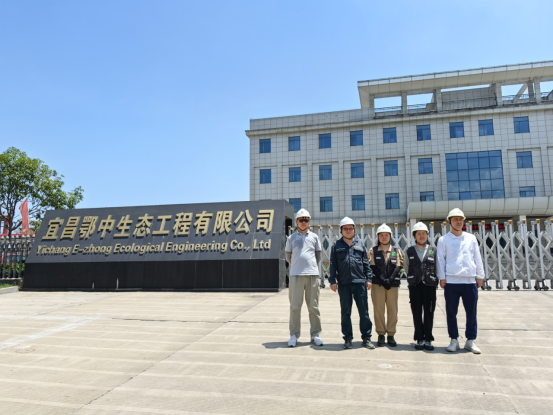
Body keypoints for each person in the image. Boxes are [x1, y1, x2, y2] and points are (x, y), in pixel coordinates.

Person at [437, 208, 485, 354]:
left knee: (472, 313)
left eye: (460, 219)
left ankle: (470, 340)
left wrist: (480, 276)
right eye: (455, 219)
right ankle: (454, 340)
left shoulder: (471, 238)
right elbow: (440, 260)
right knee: (451, 312)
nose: (458, 222)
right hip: (452, 281)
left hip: (470, 281)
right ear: (449, 222)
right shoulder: (443, 240)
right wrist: (442, 277)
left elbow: (477, 257)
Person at [329, 217, 375, 350]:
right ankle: (348, 338)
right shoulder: (336, 245)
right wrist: (332, 281)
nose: (348, 230)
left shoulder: (360, 243)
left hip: (360, 282)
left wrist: (369, 279)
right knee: (346, 312)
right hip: (344, 283)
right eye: (345, 228)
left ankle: (366, 338)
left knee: (364, 312)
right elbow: (333, 264)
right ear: (341, 230)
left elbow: (366, 263)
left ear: (354, 229)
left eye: (350, 228)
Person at [285, 208, 323, 347]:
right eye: (301, 220)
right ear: (296, 221)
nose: (303, 222)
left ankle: (315, 334)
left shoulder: (315, 237)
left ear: (309, 221)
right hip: (296, 275)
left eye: (306, 220)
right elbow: (288, 256)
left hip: (312, 275)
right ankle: (294, 335)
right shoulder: (291, 238)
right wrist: (298, 265)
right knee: (295, 307)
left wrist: (309, 266)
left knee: (313, 306)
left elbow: (318, 256)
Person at [404, 222, 438, 351]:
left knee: (429, 312)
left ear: (427, 235)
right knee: (416, 312)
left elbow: (437, 267)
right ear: (414, 236)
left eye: (424, 233)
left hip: (429, 285)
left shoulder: (433, 250)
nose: (422, 236)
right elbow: (406, 267)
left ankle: (428, 339)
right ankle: (419, 338)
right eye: (419, 234)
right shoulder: (409, 250)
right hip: (415, 286)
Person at [369, 223, 404, 347]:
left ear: (390, 236)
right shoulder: (373, 250)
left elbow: (399, 265)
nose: (384, 237)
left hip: (392, 285)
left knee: (392, 309)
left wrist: (390, 279)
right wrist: (383, 279)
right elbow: (372, 265)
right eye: (381, 235)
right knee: (378, 309)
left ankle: (391, 334)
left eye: (386, 235)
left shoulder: (396, 250)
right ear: (378, 237)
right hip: (378, 284)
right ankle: (380, 334)